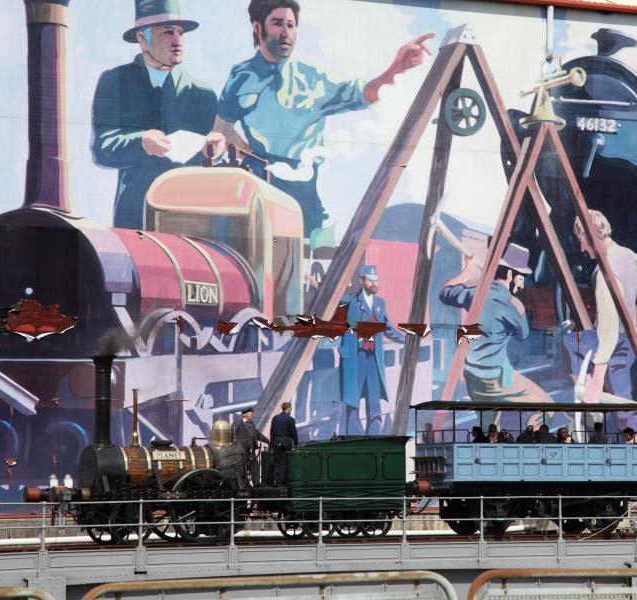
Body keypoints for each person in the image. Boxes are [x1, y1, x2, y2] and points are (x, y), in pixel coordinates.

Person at [213, 0, 433, 235]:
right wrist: (252, 158)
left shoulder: (312, 79)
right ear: (258, 28)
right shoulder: (240, 76)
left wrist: (395, 68)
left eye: (291, 25)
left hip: (301, 194)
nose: (286, 32)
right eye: (277, 23)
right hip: (256, 192)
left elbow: (361, 94)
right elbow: (222, 127)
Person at [91, 0, 224, 230]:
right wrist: (141, 142)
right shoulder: (115, 82)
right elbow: (102, 149)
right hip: (134, 220)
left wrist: (214, 152)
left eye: (180, 32)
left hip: (188, 221)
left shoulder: (203, 94)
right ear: (142, 40)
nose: (177, 41)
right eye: (167, 32)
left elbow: (206, 172)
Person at [565, 210, 637, 403]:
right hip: (627, 341)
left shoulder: (604, 275)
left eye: (582, 240)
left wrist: (596, 381)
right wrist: (632, 322)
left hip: (615, 345)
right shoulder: (630, 255)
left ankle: (586, 387)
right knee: (572, 340)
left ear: (593, 236)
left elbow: (608, 331)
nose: (582, 248)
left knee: (621, 407)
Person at [440, 244, 551, 404]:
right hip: (495, 379)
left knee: (490, 425)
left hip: (472, 377)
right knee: (547, 407)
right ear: (509, 274)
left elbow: (445, 291)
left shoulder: (474, 292)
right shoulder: (512, 304)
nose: (521, 285)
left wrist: (467, 271)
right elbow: (523, 334)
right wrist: (520, 310)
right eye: (520, 278)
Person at [340, 265, 405, 435]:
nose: (374, 283)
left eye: (376, 280)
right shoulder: (351, 301)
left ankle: (374, 433)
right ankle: (352, 435)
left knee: (374, 396)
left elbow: (388, 328)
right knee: (353, 398)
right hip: (357, 356)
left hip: (374, 358)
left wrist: (407, 339)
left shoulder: (379, 303)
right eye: (370, 280)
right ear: (362, 281)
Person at [233, 407, 269, 486]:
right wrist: (238, 446)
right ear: (246, 414)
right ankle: (245, 486)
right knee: (243, 469)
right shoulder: (238, 422)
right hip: (242, 452)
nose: (252, 415)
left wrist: (267, 441)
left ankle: (256, 485)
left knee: (255, 468)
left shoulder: (251, 423)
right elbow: (233, 435)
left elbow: (257, 434)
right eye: (251, 414)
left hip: (251, 451)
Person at [269, 402, 298, 485]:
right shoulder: (290, 419)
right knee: (284, 462)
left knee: (277, 462)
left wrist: (271, 445)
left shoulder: (275, 418)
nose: (291, 409)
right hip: (286, 442)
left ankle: (274, 480)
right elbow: (293, 433)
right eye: (291, 408)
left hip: (276, 441)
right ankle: (280, 482)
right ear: (288, 408)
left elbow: (272, 432)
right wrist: (296, 444)